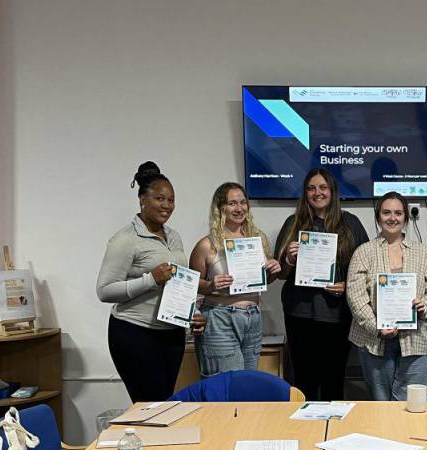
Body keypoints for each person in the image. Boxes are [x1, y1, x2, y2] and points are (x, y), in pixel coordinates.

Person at [96, 161, 205, 402]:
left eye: (171, 200)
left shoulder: (173, 236)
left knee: (164, 403)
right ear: (142, 200)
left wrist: (191, 313)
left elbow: (177, 282)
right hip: (135, 334)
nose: (166, 205)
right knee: (148, 407)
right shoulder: (126, 239)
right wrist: (150, 279)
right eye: (159, 198)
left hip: (171, 335)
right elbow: (104, 291)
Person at [274, 168, 369, 400]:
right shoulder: (293, 223)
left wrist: (347, 285)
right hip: (300, 313)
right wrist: (288, 258)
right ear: (305, 193)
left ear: (332, 191)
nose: (317, 192)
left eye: (323, 187)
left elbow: (367, 269)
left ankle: (331, 431)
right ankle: (306, 432)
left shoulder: (351, 223)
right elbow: (280, 274)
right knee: (304, 379)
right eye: (311, 188)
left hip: (337, 315)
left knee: (334, 380)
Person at [346, 191, 427, 400]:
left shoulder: (422, 252)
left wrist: (425, 306)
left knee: (413, 407)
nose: (392, 218)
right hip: (374, 341)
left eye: (398, 213)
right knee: (381, 407)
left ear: (405, 217)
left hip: (416, 341)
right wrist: (376, 326)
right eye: (386, 212)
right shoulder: (364, 252)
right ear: (378, 216)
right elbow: (355, 296)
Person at [190, 182, 281, 376]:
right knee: (227, 386)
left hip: (253, 318)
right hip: (220, 317)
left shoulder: (257, 239)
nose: (239, 208)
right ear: (220, 208)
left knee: (247, 385)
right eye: (232, 203)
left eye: (242, 202)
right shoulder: (207, 245)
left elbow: (264, 281)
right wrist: (211, 284)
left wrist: (273, 270)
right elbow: (192, 284)